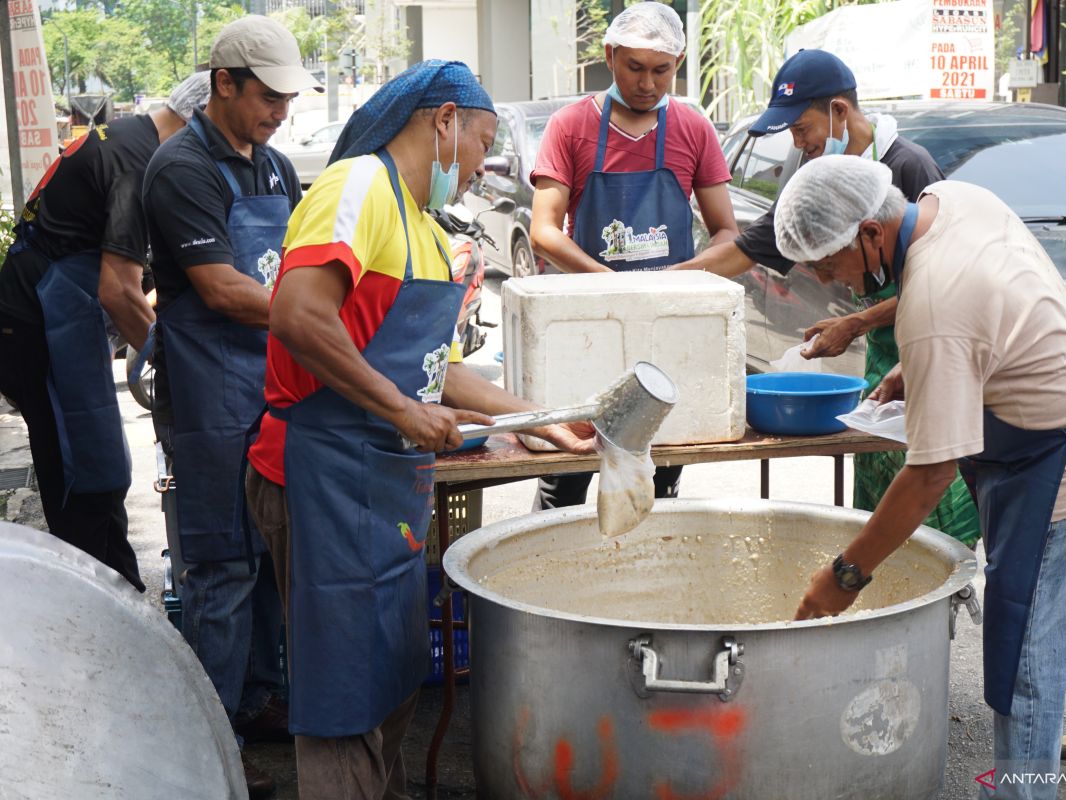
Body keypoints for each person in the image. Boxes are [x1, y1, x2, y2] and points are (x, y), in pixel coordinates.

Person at [242, 60, 595, 800]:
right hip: (320, 475)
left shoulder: (428, 234)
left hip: (389, 485)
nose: (482, 167)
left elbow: (440, 372)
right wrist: (404, 411)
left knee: (393, 678)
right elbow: (298, 314)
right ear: (442, 122)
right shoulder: (356, 188)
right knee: (343, 695)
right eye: (482, 142)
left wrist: (541, 420)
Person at [778, 156, 1066, 799]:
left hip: (1062, 466)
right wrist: (931, 367)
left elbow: (931, 473)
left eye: (830, 266)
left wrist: (843, 577)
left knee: (1024, 659)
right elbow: (991, 295)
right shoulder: (951, 199)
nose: (836, 284)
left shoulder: (935, 307)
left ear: (871, 234)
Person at [672, 48, 979, 547]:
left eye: (801, 128)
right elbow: (747, 249)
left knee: (933, 511)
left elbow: (945, 291)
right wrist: (668, 280)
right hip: (885, 358)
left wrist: (857, 322)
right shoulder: (813, 178)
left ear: (838, 111)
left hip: (933, 346)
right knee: (879, 502)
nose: (799, 143)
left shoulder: (910, 167)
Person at [141, 16, 322, 798]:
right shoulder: (181, 169)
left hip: (272, 381)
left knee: (270, 552)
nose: (280, 111)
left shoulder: (276, 166)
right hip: (210, 385)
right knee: (220, 567)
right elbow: (218, 288)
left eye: (287, 98)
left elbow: (307, 263)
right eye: (267, 97)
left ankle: (258, 699)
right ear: (223, 84)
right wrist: (316, 319)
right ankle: (210, 740)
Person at [0, 72, 210, 592]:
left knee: (97, 463)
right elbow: (119, 291)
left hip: (59, 308)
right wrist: (180, 360)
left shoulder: (132, 137)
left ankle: (120, 590)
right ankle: (92, 603)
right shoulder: (135, 164)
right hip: (38, 319)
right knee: (79, 467)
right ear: (201, 120)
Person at [528, 1, 737, 510]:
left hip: (666, 331)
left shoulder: (693, 128)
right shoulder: (571, 126)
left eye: (661, 70)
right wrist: (610, 284)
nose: (647, 83)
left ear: (678, 63)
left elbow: (727, 233)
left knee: (656, 477)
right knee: (569, 476)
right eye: (634, 68)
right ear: (610, 56)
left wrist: (681, 278)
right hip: (587, 328)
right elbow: (543, 231)